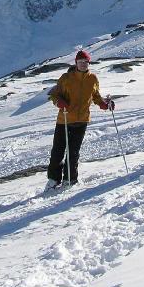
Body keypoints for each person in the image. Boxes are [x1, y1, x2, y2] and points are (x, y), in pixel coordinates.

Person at [46, 50, 113, 188]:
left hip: (82, 120)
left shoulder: (92, 78)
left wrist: (105, 104)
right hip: (64, 119)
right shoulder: (66, 78)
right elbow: (54, 94)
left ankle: (70, 179)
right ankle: (53, 179)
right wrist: (59, 102)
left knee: (73, 152)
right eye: (80, 62)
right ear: (76, 62)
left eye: (85, 62)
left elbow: (95, 96)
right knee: (58, 151)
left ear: (89, 63)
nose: (83, 64)